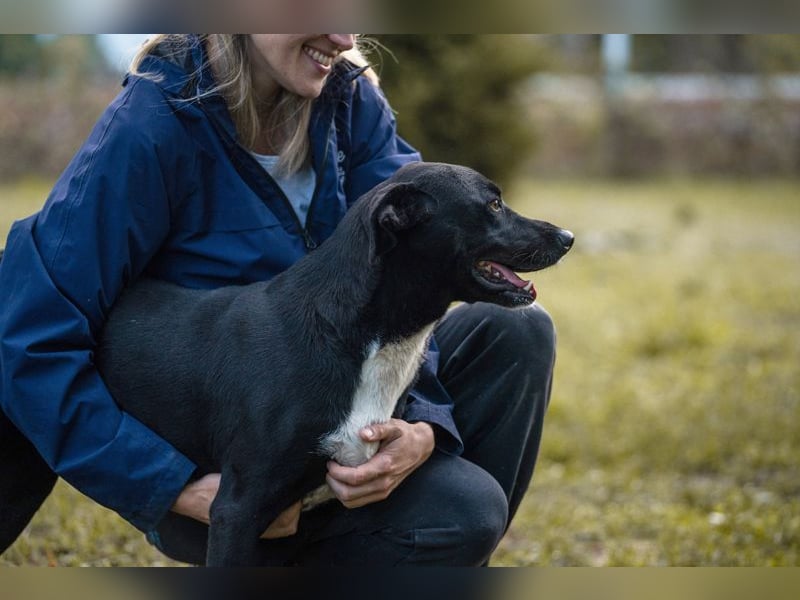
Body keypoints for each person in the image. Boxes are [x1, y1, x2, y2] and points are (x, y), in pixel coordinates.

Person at [0, 34, 557, 566]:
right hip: (222, 464)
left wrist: (424, 428)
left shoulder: (349, 100)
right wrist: (169, 483)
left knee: (517, 330)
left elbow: (409, 277)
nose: (342, 37)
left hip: (336, 408)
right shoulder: (150, 127)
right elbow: (31, 338)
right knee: (460, 515)